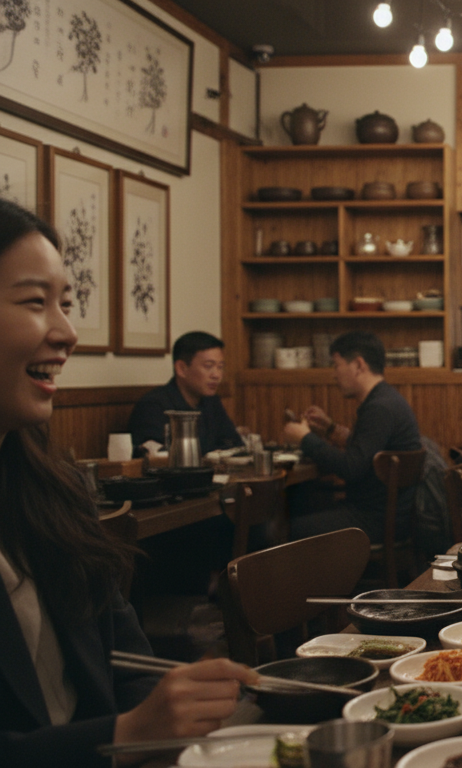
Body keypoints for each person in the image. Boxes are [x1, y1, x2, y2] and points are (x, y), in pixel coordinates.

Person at [0, 199, 256, 765]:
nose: (67, 332)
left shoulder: (52, 488)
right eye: (35, 303)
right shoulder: (153, 407)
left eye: (65, 305)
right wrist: (128, 733)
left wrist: (157, 726)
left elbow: (126, 656)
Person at [282, 332, 422, 543]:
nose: (334, 375)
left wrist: (305, 438)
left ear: (358, 365)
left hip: (374, 520)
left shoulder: (379, 408)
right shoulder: (386, 399)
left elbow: (351, 467)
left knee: (283, 531)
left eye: (336, 365)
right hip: (387, 515)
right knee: (303, 507)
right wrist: (329, 429)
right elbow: (366, 451)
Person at [127, 331, 243, 456]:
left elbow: (234, 444)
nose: (217, 375)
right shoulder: (153, 406)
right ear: (181, 369)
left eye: (220, 367)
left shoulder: (211, 401)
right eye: (208, 366)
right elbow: (157, 456)